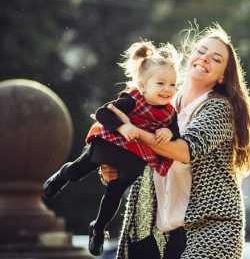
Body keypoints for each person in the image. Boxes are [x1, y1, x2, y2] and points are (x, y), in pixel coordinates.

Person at [102, 24, 250, 259]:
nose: (204, 59)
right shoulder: (160, 104)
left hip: (210, 231)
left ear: (222, 76)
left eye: (215, 59)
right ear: (190, 58)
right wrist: (112, 168)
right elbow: (136, 157)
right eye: (201, 52)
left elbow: (185, 150)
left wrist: (132, 130)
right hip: (158, 232)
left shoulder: (219, 107)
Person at [42, 41, 181, 256]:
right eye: (161, 83)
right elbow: (102, 114)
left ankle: (98, 228)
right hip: (112, 142)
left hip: (134, 155)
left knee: (116, 190)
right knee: (82, 168)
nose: (167, 89)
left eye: (172, 84)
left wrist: (169, 133)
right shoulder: (132, 100)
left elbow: (175, 130)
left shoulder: (170, 113)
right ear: (143, 85)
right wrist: (123, 126)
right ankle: (61, 177)